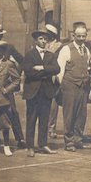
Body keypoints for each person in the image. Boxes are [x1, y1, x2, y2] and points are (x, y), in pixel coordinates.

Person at [22, 29, 61, 157]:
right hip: (33, 92)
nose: (43, 41)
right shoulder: (30, 54)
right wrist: (46, 73)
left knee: (44, 119)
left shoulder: (51, 55)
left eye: (45, 39)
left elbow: (56, 69)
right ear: (36, 40)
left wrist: (42, 68)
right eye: (41, 39)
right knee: (31, 119)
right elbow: (28, 71)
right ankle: (30, 146)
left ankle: (43, 144)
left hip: (46, 92)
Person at [57, 24, 91, 152]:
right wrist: (59, 88)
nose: (81, 38)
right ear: (73, 36)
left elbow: (87, 67)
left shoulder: (87, 50)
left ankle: (78, 139)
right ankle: (69, 141)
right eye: (79, 36)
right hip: (70, 86)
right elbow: (60, 70)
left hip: (83, 86)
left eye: (83, 36)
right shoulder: (66, 49)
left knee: (81, 114)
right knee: (69, 114)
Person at [45, 24, 64, 140]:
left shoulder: (59, 46)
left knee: (53, 104)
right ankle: (45, 127)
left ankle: (51, 128)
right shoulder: (45, 44)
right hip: (43, 76)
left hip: (54, 77)